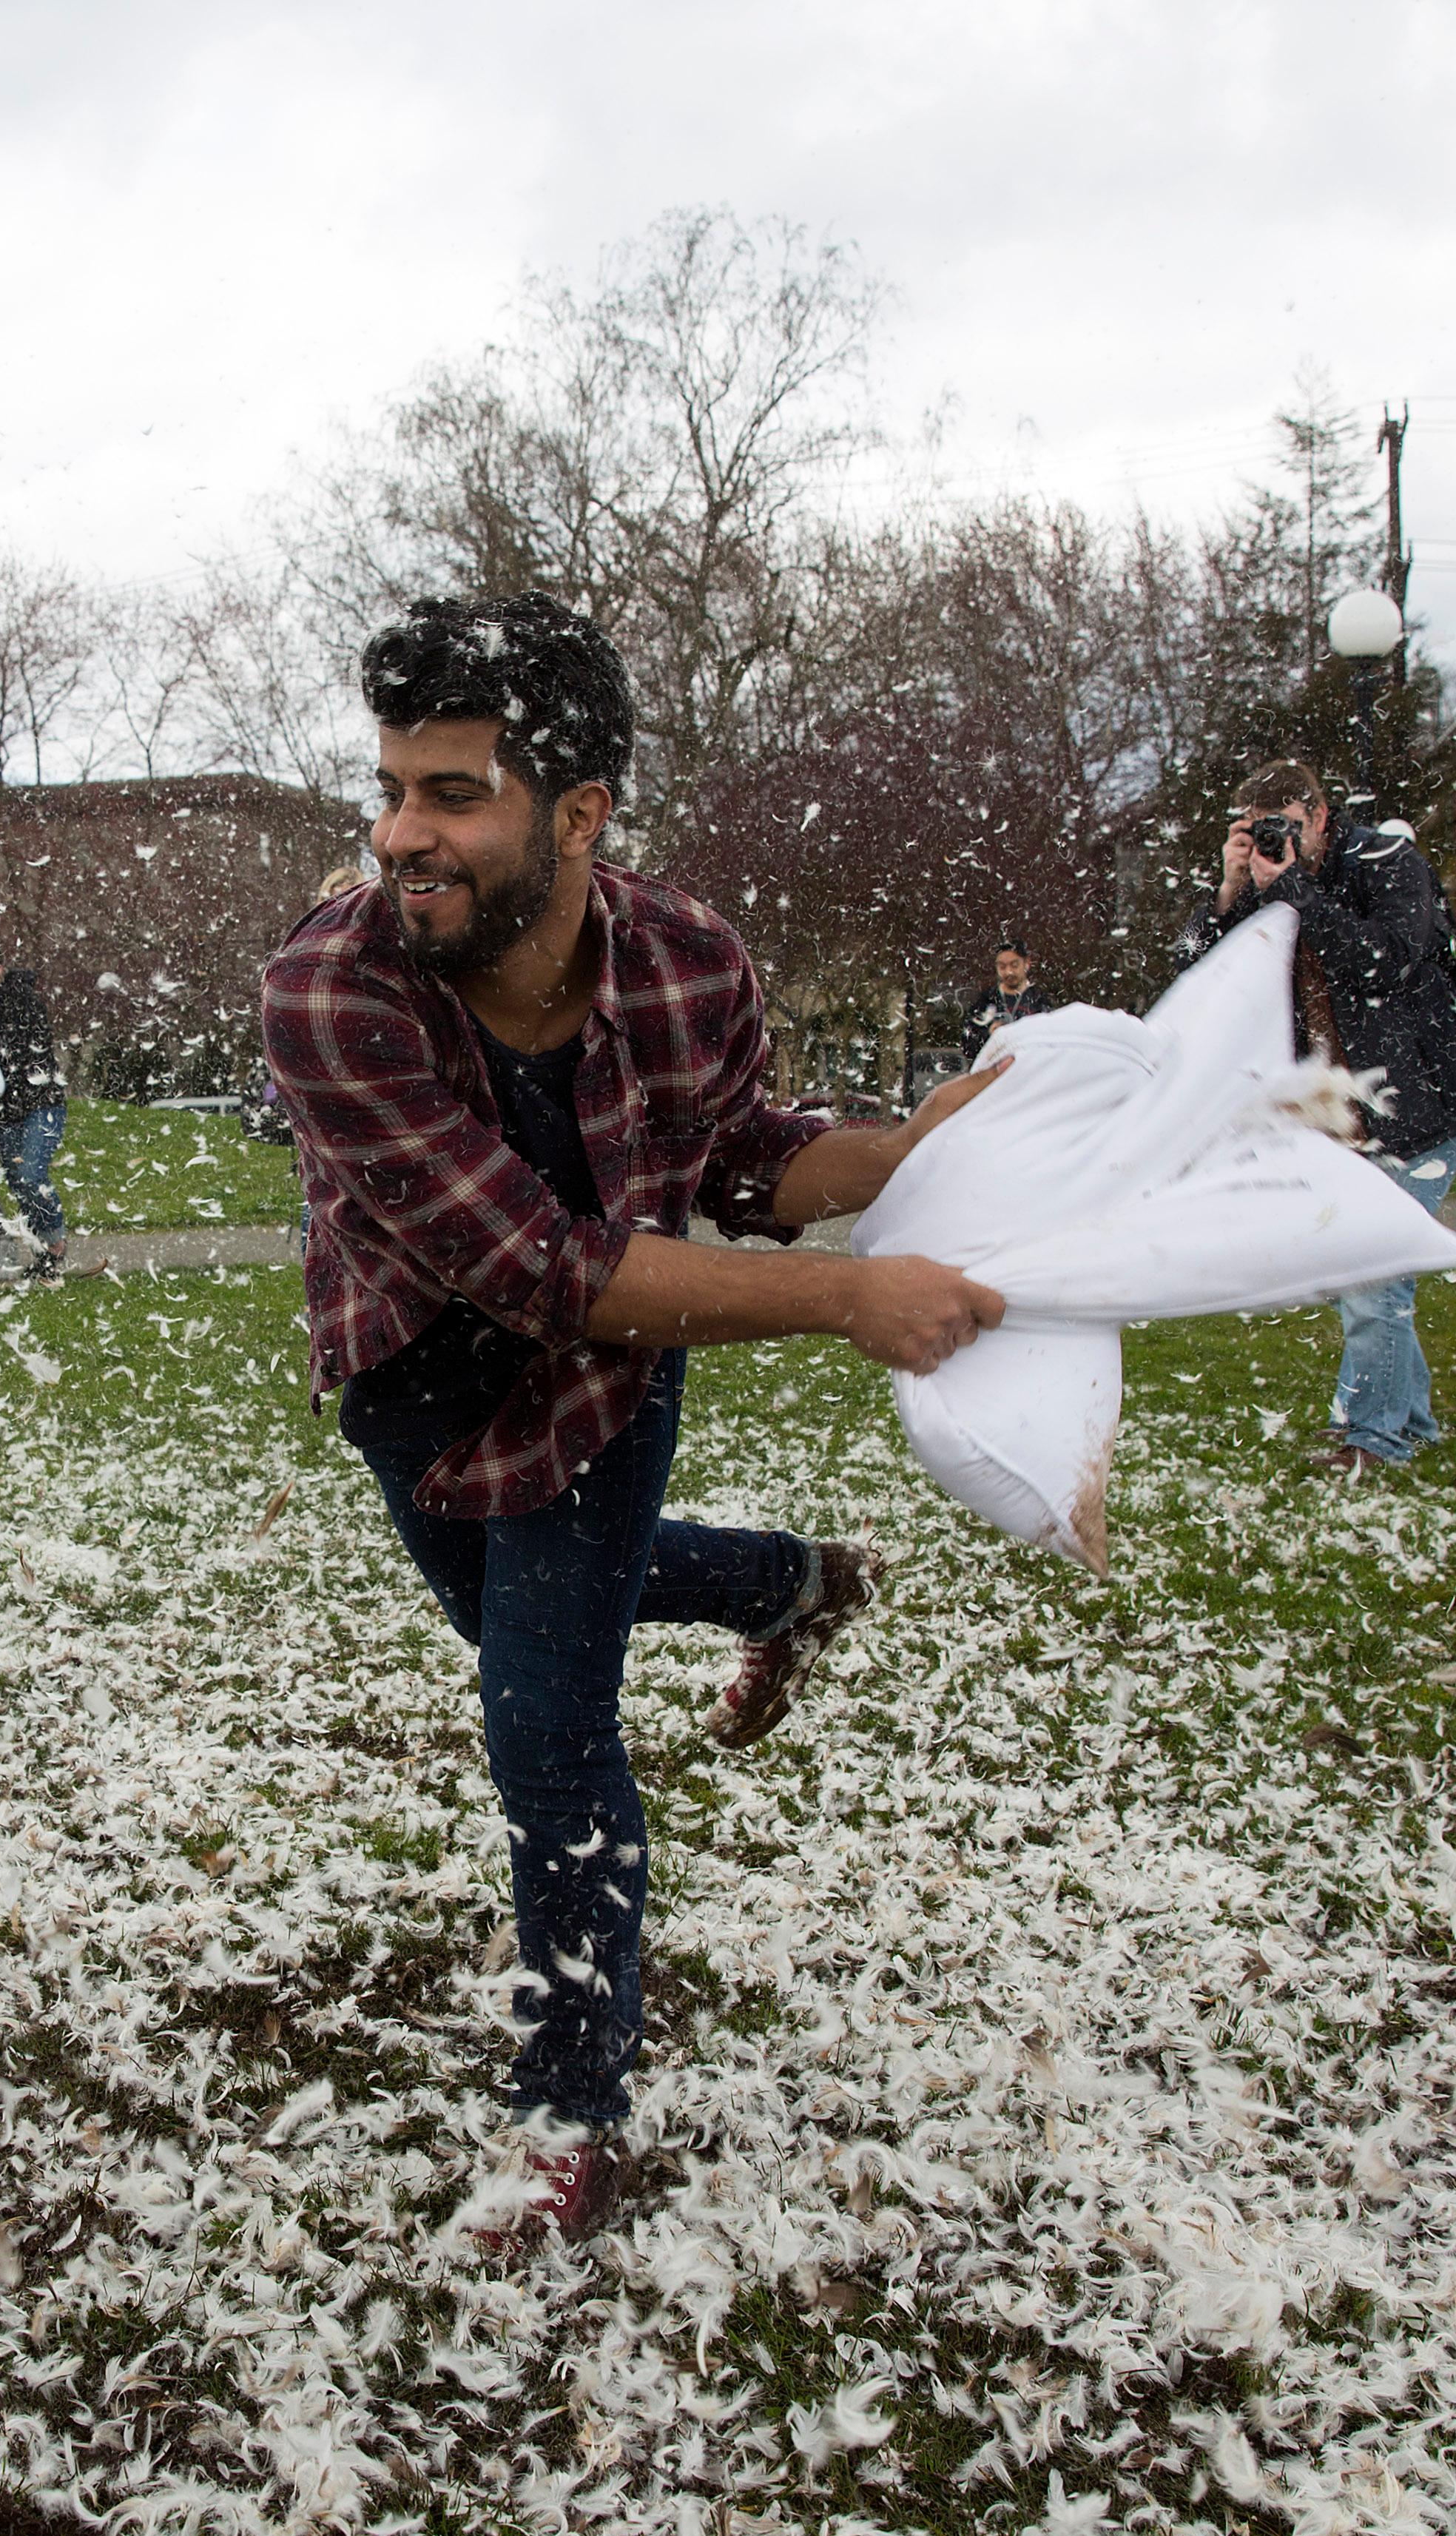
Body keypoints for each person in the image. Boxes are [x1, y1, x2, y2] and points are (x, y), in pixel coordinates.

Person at [263, 593, 1001, 2250]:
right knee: (509, 1619)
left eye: (452, 794)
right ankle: (784, 1581)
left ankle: (570, 2100)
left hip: (605, 1388)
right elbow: (536, 1263)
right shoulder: (330, 989)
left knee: (544, 1713)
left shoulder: (692, 960)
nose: (401, 835)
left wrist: (893, 1158)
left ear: (578, 814)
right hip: (409, 1375)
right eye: (390, 789)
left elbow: (740, 1158)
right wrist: (845, 1302)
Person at [1176, 757, 1456, 1477]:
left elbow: (1386, 960)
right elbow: (1206, 971)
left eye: (1284, 827)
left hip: (1427, 1103)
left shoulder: (1388, 861)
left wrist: (1289, 887)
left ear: (1319, 816)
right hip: (1351, 1113)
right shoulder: (1268, 882)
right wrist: (1230, 892)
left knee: (1372, 1272)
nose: (1273, 841)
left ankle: (1370, 1438)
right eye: (1258, 831)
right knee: (1376, 1268)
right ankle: (1409, 1422)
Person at [0, 937, 69, 1270]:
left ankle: (57, 1242)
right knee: (18, 1184)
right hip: (5, 1111)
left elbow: (33, 1044)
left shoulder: (21, 1000)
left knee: (31, 1175)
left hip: (41, 1104)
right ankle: (42, 1255)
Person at [960, 939, 1055, 1054]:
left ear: (1027, 964)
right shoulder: (986, 1000)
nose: (1008, 972)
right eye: (1002, 967)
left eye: (1014, 965)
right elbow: (968, 1045)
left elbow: (1051, 1041)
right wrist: (989, 1034)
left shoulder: (1040, 1000)